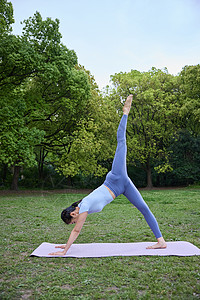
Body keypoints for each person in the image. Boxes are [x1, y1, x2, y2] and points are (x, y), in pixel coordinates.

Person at [49, 95, 167, 256]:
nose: (75, 222)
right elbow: (75, 230)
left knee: (121, 142)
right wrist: (66, 245)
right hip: (122, 188)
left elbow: (76, 231)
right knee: (144, 208)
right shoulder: (82, 205)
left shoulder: (82, 208)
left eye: (72, 221)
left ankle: (125, 112)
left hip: (116, 178)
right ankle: (161, 241)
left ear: (72, 214)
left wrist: (65, 251)